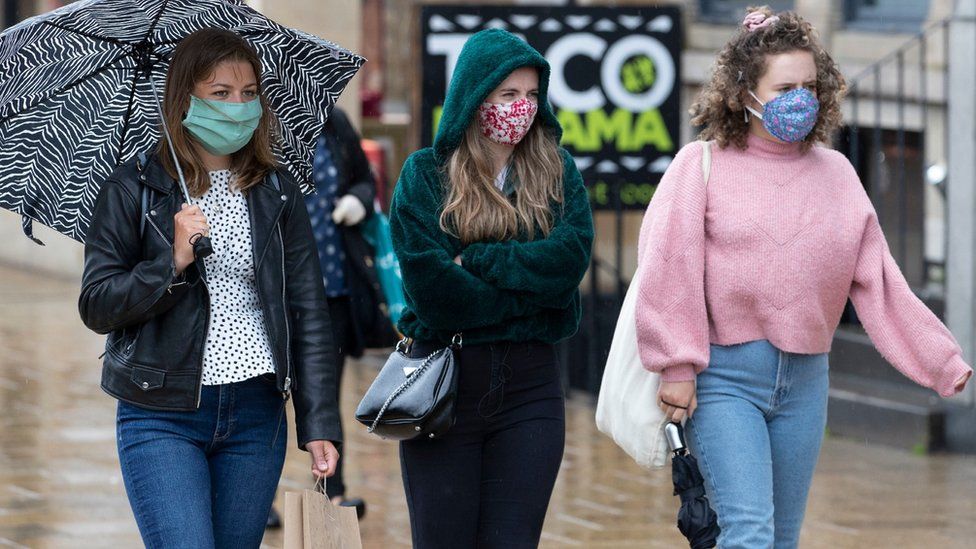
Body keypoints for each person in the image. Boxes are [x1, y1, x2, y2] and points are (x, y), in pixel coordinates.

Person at [635, 7, 973, 548]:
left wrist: (941, 360)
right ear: (744, 93)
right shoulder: (700, 166)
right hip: (724, 380)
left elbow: (879, 281)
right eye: (785, 86)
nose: (801, 98)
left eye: (810, 86)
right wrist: (676, 364)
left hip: (806, 385)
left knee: (784, 538)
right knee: (749, 534)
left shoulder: (837, 174)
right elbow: (667, 269)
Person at [78, 28, 341, 548]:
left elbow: (308, 309)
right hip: (161, 412)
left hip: (256, 412)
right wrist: (170, 263)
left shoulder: (277, 191)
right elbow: (97, 304)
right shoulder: (134, 187)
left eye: (248, 93)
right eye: (220, 93)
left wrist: (319, 422)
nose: (237, 107)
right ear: (185, 99)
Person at [389, 28, 594, 548]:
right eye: (508, 95)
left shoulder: (555, 170)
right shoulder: (425, 175)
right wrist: (531, 297)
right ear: (475, 97)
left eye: (531, 95)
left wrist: (478, 258)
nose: (522, 107)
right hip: (444, 385)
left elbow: (569, 264)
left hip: (532, 390)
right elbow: (435, 295)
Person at [267, 107, 378, 528]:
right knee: (267, 397)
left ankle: (334, 492)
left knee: (324, 391)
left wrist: (356, 201)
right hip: (272, 290)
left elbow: (366, 181)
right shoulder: (254, 127)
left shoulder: (335, 124)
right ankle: (259, 496)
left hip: (330, 286)